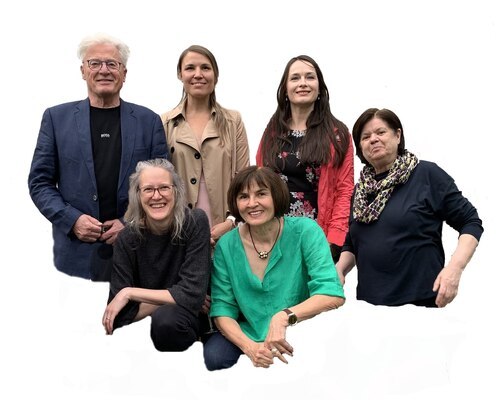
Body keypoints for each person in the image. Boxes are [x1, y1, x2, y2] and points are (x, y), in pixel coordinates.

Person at [28, 33, 167, 281]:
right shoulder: (56, 119)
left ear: (124, 73)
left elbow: (165, 186)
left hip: (137, 256)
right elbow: (40, 183)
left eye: (112, 64)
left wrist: (130, 224)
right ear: (83, 71)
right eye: (95, 63)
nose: (104, 70)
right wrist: (72, 220)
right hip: (74, 262)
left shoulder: (149, 121)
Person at [336, 108, 483, 308]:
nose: (373, 139)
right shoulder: (360, 192)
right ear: (360, 147)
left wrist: (454, 269)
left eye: (381, 132)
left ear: (398, 135)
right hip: (369, 309)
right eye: (365, 137)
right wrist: (339, 270)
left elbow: (470, 222)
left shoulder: (426, 175)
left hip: (421, 303)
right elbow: (353, 244)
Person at [203, 166, 345, 371]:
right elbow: (223, 309)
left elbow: (331, 293)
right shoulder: (226, 245)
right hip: (249, 331)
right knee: (214, 358)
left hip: (300, 326)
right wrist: (250, 348)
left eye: (261, 194)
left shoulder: (306, 231)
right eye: (243, 197)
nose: (252, 203)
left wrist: (284, 317)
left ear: (277, 196)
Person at [102, 158, 211, 352]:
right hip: (142, 337)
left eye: (164, 188)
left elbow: (192, 295)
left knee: (165, 321)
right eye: (148, 189)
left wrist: (130, 293)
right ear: (137, 195)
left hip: (188, 322)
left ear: (176, 191)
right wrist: (179, 295)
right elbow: (118, 316)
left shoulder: (195, 222)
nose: (157, 196)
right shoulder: (127, 238)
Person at [256, 55, 354, 262]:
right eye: (295, 78)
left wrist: (332, 242)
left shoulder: (338, 134)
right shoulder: (273, 131)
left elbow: (344, 191)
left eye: (310, 77)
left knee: (315, 295)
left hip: (317, 238)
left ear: (320, 87)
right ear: (285, 89)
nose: (302, 83)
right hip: (274, 236)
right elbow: (259, 179)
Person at [161, 45, 250, 246]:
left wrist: (231, 221)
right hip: (178, 230)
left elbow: (244, 177)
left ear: (216, 75)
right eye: (190, 68)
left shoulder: (233, 121)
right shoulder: (164, 123)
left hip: (227, 228)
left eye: (205, 68)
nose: (198, 74)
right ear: (180, 74)